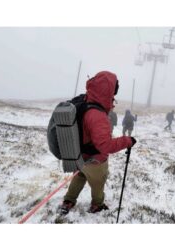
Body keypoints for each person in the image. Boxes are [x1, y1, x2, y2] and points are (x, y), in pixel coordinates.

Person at [59, 71, 136, 215]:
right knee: (98, 183)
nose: (114, 96)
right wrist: (127, 141)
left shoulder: (83, 103)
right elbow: (105, 145)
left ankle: (68, 200)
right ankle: (97, 205)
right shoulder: (97, 115)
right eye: (113, 92)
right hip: (95, 160)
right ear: (108, 91)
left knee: (80, 176)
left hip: (79, 156)